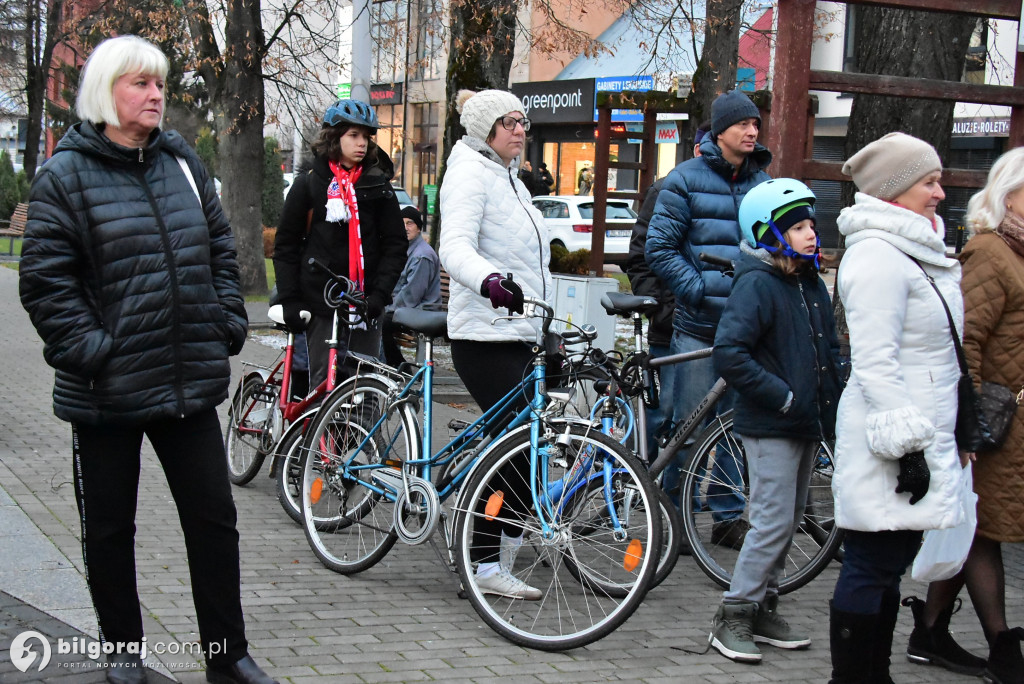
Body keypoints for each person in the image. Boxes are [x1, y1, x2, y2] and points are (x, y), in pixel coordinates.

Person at [18, 35, 276, 684]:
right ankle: (123, 655)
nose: (156, 94)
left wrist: (225, 317)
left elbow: (221, 249)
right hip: (107, 391)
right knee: (110, 532)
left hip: (187, 380)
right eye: (140, 84)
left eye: (159, 83)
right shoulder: (66, 175)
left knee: (214, 523)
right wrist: (94, 353)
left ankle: (228, 657)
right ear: (107, 92)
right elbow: (46, 283)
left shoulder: (181, 161)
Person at [828, 132, 967, 684]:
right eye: (929, 182)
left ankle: (872, 675)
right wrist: (909, 447)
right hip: (892, 438)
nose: (940, 193)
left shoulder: (912, 250)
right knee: (872, 562)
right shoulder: (879, 257)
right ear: (897, 190)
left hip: (916, 432)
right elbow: (875, 361)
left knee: (885, 566)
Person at [707, 179, 843, 663]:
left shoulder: (807, 283)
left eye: (811, 225)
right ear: (768, 233)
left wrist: (832, 399)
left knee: (788, 521)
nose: (811, 234)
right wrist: (782, 397)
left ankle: (765, 606)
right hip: (773, 423)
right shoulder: (758, 283)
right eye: (799, 227)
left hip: (807, 421)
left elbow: (828, 349)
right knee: (769, 521)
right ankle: (734, 613)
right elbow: (730, 354)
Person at [902, 147, 1024, 684]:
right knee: (981, 531)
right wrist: (966, 423)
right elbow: (965, 342)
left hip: (1009, 423)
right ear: (1008, 193)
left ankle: (929, 632)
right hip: (995, 422)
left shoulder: (1016, 253)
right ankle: (1002, 647)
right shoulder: (989, 252)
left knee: (974, 526)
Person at [438, 88, 552, 600]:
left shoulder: (510, 179)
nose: (520, 130)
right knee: (515, 449)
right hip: (483, 334)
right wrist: (489, 281)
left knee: (534, 446)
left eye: (523, 122)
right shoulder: (467, 172)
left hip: (521, 332)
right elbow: (454, 247)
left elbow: (531, 261)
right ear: (485, 130)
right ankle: (481, 563)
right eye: (509, 123)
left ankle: (495, 550)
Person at [646, 90, 772, 548]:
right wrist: (698, 289)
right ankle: (673, 517)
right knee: (687, 428)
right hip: (698, 330)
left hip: (749, 330)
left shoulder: (764, 185)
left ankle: (727, 516)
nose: (752, 131)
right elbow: (657, 248)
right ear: (719, 132)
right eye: (742, 124)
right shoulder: (683, 181)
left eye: (755, 124)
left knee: (739, 428)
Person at [273, 99, 407, 388]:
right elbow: (285, 245)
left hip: (365, 304)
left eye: (366, 137)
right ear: (334, 138)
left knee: (364, 387)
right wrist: (291, 301)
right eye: (353, 135)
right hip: (320, 301)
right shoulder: (309, 183)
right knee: (322, 385)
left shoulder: (378, 184)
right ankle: (314, 434)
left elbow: (395, 245)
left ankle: (363, 435)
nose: (362, 143)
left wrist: (379, 295)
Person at [380, 205, 442, 367]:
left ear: (419, 228)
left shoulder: (422, 255)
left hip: (423, 310)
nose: (405, 228)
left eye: (410, 224)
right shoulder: (406, 249)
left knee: (381, 321)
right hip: (409, 307)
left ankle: (399, 367)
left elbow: (410, 295)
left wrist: (384, 308)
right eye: (402, 223)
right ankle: (391, 366)